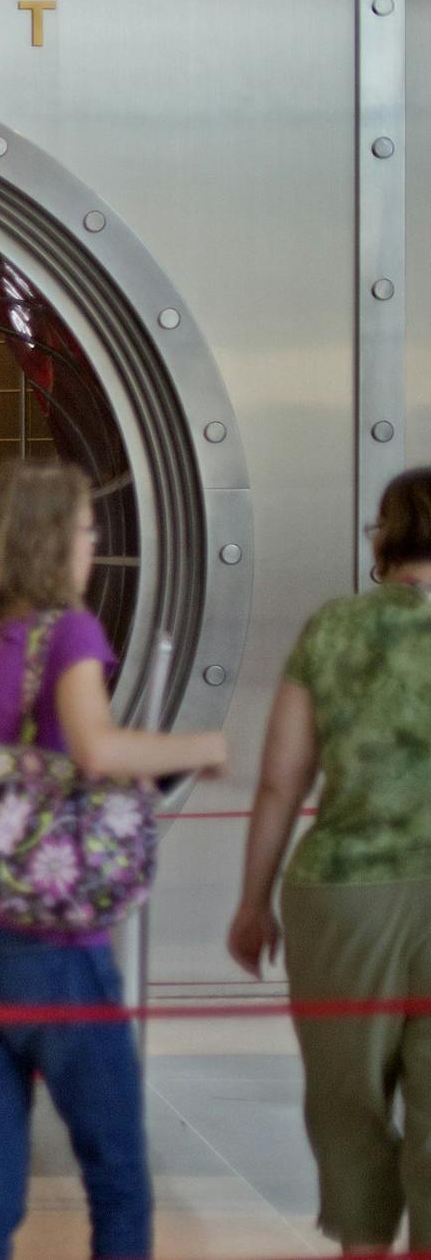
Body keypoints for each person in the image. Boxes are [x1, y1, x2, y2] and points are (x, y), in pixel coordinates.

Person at [0, 460, 226, 1260]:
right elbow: (96, 748)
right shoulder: (68, 633)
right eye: (88, 530)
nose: (95, 545)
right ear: (51, 540)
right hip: (54, 948)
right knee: (118, 1180)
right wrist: (201, 745)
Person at [227, 465, 431, 1256]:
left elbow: (282, 780)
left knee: (349, 1105)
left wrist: (253, 903)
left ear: (385, 538)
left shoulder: (334, 628)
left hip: (343, 898)